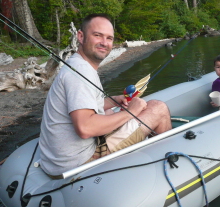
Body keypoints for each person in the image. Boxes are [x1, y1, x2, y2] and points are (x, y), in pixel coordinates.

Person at [39, 14, 172, 177]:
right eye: (97, 35)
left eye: (109, 38)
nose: (104, 43)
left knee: (111, 113)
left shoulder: (77, 64)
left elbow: (84, 106)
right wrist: (132, 112)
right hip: (79, 161)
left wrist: (114, 100)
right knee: (158, 108)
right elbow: (85, 128)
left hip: (60, 159)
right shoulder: (81, 73)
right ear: (80, 36)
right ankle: (171, 166)